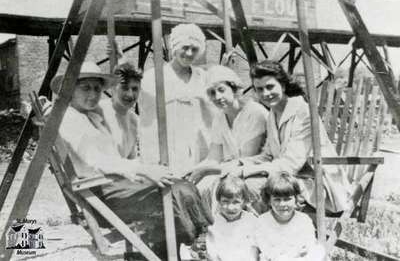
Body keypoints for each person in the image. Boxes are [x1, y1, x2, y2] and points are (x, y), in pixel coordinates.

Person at [49, 62, 213, 259]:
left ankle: (170, 250)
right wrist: (145, 171)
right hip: (102, 195)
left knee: (178, 184)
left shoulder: (89, 116)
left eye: (97, 88)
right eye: (85, 88)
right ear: (69, 90)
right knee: (174, 191)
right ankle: (183, 246)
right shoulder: (69, 118)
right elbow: (98, 160)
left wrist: (147, 170)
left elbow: (118, 155)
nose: (93, 94)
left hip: (113, 186)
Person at [238, 60, 349, 213]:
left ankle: (263, 233)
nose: (265, 94)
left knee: (250, 187)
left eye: (270, 87)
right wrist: (240, 163)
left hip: (315, 184)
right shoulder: (273, 113)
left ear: (283, 85)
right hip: (287, 179)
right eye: (259, 89)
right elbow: (269, 155)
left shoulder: (303, 112)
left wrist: (246, 171)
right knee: (233, 182)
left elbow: (291, 164)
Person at [187, 65, 269, 212]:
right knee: (196, 186)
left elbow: (245, 159)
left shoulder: (255, 113)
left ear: (234, 88)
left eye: (221, 90)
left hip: (253, 170)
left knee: (222, 188)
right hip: (228, 169)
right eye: (212, 93)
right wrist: (192, 170)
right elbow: (214, 157)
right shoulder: (219, 117)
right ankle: (208, 229)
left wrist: (205, 170)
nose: (218, 97)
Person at [139, 23, 215, 175]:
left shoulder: (202, 77)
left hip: (196, 142)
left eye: (194, 49)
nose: (189, 53)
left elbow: (212, 112)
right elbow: (147, 119)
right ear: (175, 47)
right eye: (185, 47)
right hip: (167, 142)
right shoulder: (154, 76)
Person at [254, 172, 325, 261]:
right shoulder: (263, 221)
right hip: (274, 258)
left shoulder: (303, 220)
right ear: (269, 200)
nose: (282, 204)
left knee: (319, 250)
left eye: (287, 199)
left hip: (298, 258)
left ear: (296, 199)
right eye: (277, 199)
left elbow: (309, 244)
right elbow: (265, 249)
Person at [206, 176, 258, 261]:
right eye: (225, 202)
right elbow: (212, 253)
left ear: (244, 202)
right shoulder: (215, 224)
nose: (230, 207)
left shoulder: (251, 221)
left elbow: (257, 249)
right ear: (219, 201)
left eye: (236, 202)